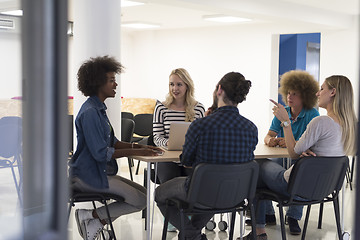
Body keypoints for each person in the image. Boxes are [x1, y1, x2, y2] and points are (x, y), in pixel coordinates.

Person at [243, 75, 357, 240]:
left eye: (322, 89)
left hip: (296, 188)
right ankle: (264, 222)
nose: (318, 94)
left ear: (333, 92)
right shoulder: (349, 126)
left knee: (256, 165)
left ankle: (259, 230)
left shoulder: (320, 121)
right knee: (262, 181)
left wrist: (286, 122)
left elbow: (294, 152)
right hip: (324, 189)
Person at [68, 56, 163, 240]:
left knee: (143, 195)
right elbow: (101, 153)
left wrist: (141, 146)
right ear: (98, 83)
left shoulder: (99, 110)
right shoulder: (90, 113)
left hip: (100, 173)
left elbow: (115, 143)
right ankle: (90, 216)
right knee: (141, 200)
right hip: (87, 175)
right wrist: (138, 151)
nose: (115, 84)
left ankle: (95, 220)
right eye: (111, 80)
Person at [155, 72, 258, 240]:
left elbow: (186, 161)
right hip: (236, 195)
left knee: (159, 194)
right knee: (211, 196)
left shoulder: (200, 125)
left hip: (203, 191)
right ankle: (192, 235)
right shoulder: (251, 128)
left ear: (219, 90)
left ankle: (192, 235)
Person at [256, 70, 319, 234]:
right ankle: (268, 213)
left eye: (295, 94)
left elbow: (309, 144)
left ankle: (293, 216)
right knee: (267, 166)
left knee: (298, 166)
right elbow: (269, 135)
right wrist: (271, 140)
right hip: (281, 157)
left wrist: (291, 142)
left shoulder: (312, 114)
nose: (289, 97)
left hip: (298, 158)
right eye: (288, 93)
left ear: (304, 95)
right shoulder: (282, 111)